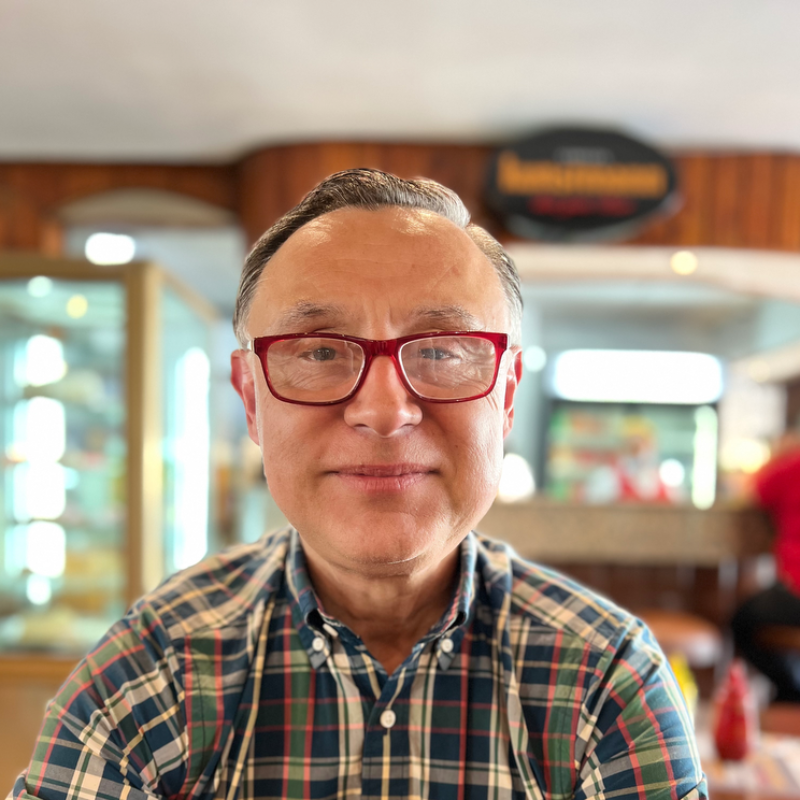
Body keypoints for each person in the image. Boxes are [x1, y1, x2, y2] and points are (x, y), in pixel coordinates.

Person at [10, 169, 706, 800]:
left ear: (508, 395)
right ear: (250, 399)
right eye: (318, 351)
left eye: (441, 351)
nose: (383, 410)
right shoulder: (151, 675)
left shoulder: (603, 681)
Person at [731, 431, 800, 702]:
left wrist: (780, 455)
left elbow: (752, 492)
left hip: (795, 588)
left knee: (742, 622)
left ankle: (790, 692)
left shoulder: (791, 465)